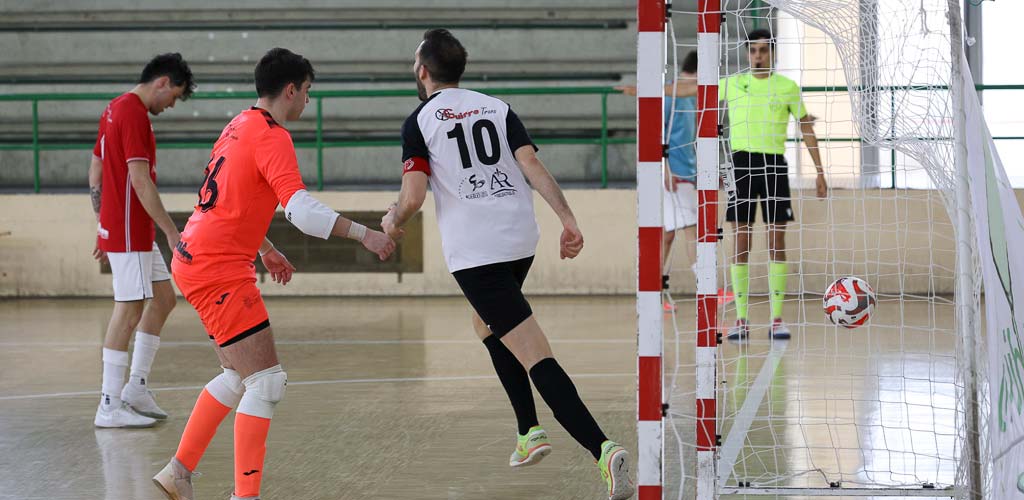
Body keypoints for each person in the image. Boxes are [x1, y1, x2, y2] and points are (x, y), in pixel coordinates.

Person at [381, 29, 634, 500]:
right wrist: (567, 217)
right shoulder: (497, 107)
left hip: (478, 256)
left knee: (534, 351)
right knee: (485, 324)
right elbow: (532, 166)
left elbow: (413, 196)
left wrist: (392, 218)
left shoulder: (418, 120)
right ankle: (528, 432)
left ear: (422, 71)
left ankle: (603, 449)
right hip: (520, 240)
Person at [152, 47, 395, 500]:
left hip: (196, 255)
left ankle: (177, 473)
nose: (307, 101)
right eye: (306, 92)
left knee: (236, 376)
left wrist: (263, 246)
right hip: (216, 268)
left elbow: (228, 197)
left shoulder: (238, 124)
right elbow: (300, 209)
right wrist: (366, 235)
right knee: (266, 381)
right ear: (290, 90)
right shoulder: (273, 136)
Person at [89, 53, 195, 429]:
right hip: (132, 227)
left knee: (163, 299)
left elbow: (96, 167)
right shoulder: (132, 112)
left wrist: (103, 224)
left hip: (125, 226)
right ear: (162, 82)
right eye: (174, 96)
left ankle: (136, 387)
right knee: (129, 308)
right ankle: (108, 404)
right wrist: (170, 229)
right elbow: (140, 180)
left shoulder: (113, 108)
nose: (171, 105)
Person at [720, 28, 827, 340]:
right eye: (753, 50)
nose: (757, 56)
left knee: (776, 241)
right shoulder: (733, 83)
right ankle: (741, 319)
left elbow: (806, 128)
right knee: (740, 240)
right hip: (740, 165)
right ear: (746, 53)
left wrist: (820, 171)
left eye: (763, 50)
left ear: (772, 54)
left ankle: (777, 318)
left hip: (774, 166)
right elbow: (692, 93)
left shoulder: (787, 87)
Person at [617, 51, 700, 312]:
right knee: (694, 231)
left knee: (667, 236)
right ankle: (708, 289)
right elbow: (655, 132)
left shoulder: (694, 97)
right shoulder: (671, 96)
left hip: (686, 171)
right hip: (673, 175)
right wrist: (664, 169)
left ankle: (652, 294)